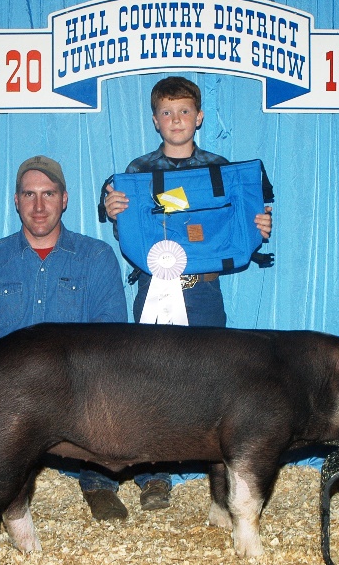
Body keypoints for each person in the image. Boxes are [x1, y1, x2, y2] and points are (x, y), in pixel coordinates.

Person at [102, 76, 274, 506]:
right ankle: (152, 477)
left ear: (198, 118)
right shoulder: (137, 172)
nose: (175, 119)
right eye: (166, 112)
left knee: (215, 383)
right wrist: (110, 208)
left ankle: (219, 476)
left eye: (183, 111)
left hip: (204, 292)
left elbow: (244, 215)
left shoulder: (222, 169)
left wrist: (259, 226)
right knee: (152, 381)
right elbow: (119, 214)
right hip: (154, 287)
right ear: (155, 120)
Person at [0, 155, 135, 522]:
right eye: (29, 195)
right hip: (6, 402)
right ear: (16, 201)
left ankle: (97, 482)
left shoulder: (96, 258)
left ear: (64, 199)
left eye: (49, 194)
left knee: (117, 414)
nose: (39, 205)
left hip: (75, 404)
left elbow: (110, 346)